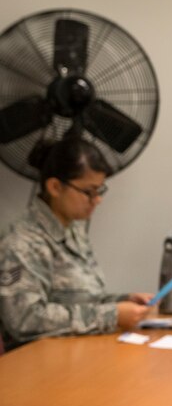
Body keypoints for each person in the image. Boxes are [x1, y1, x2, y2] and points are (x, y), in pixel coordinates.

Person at [0, 137, 152, 351]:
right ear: (54, 187)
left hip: (75, 354)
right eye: (88, 192)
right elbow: (25, 320)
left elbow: (79, 299)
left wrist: (122, 300)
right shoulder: (21, 242)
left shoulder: (72, 230)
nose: (97, 200)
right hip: (35, 366)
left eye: (100, 191)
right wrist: (112, 315)